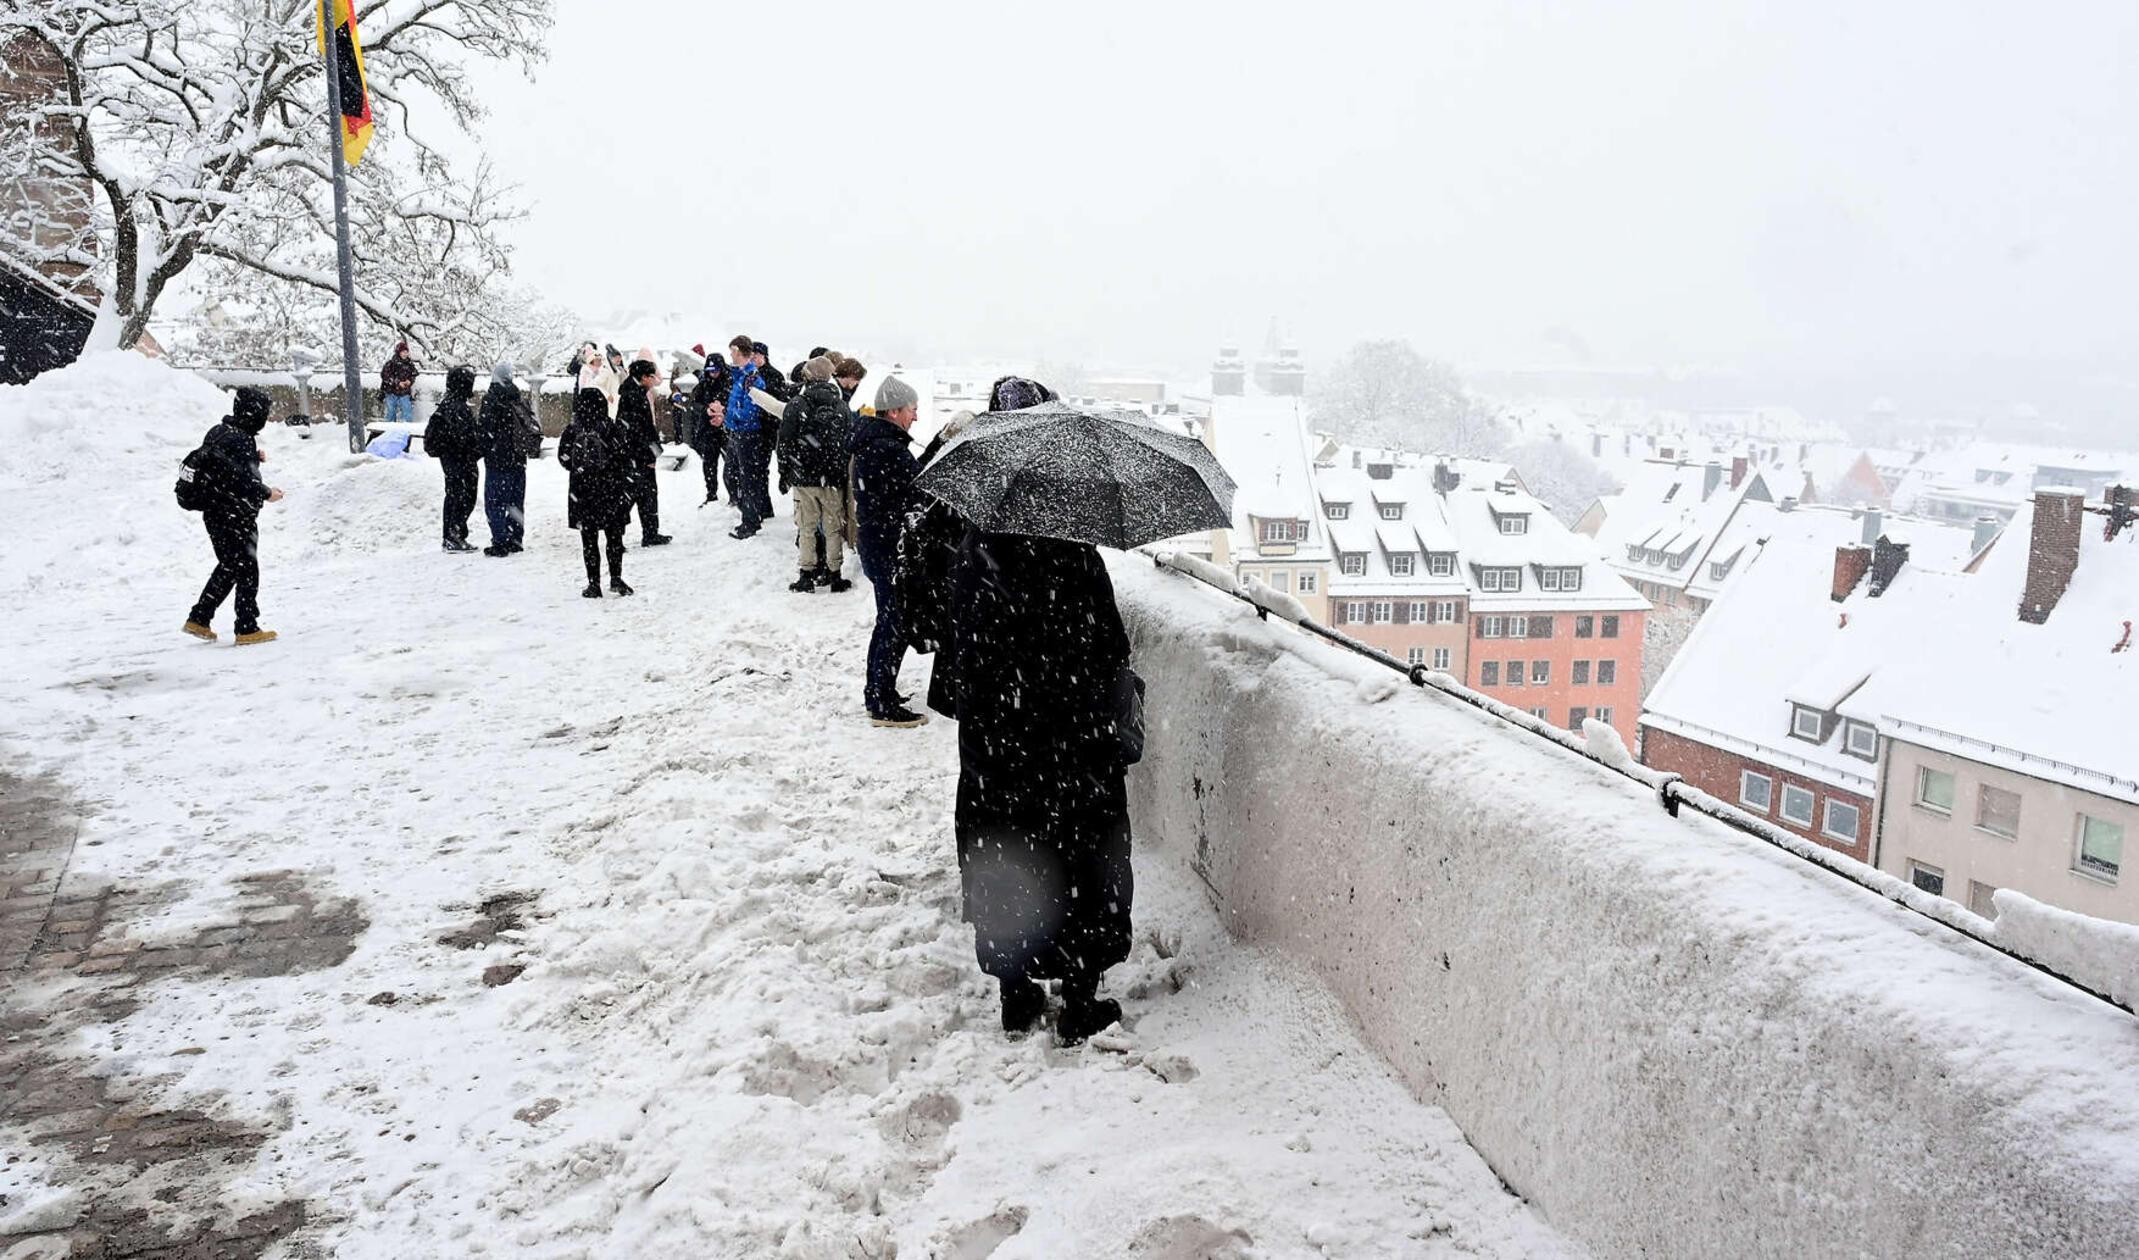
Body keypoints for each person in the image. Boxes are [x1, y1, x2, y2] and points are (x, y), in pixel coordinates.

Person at [948, 530, 1134, 1043]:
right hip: (1070, 754)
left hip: (996, 756)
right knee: (1082, 866)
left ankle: (1015, 995)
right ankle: (1079, 999)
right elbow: (1112, 651)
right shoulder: (1077, 556)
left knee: (1007, 864)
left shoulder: (973, 556)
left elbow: (957, 661)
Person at [850, 375, 926, 727]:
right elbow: (916, 490)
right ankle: (880, 701)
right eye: (912, 410)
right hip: (887, 547)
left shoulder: (879, 442)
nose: (915, 417)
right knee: (893, 623)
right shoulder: (887, 448)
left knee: (891, 620)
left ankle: (880, 692)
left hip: (877, 544)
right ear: (895, 411)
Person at [182, 386, 284, 645]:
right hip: (234, 515)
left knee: (230, 565)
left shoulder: (220, 431)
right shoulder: (241, 440)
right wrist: (266, 492)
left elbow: (222, 467)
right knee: (247, 569)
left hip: (214, 512)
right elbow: (240, 479)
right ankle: (247, 628)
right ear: (256, 414)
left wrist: (253, 458)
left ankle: (200, 618)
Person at [777, 355, 855, 592]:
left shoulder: (797, 405)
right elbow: (847, 442)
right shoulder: (841, 406)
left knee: (806, 527)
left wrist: (785, 470)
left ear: (808, 376)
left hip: (804, 477)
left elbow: (785, 442)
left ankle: (806, 574)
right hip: (832, 478)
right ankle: (835, 574)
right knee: (832, 527)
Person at [558, 387, 634, 597]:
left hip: (582, 491)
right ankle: (616, 579)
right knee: (614, 537)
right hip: (610, 489)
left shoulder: (573, 429)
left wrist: (580, 469)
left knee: (589, 539)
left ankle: (593, 584)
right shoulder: (610, 427)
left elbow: (563, 458)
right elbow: (623, 456)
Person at [424, 364, 482, 552]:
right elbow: (467, 437)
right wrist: (476, 450)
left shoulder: (447, 405)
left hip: (453, 460)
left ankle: (453, 535)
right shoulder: (456, 408)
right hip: (460, 460)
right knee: (461, 498)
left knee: (456, 496)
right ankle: (453, 535)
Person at [478, 362, 534, 555]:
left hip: (497, 459)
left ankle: (500, 541)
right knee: (515, 502)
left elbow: (486, 430)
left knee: (495, 502)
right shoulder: (517, 397)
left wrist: (483, 449)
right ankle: (516, 538)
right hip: (518, 458)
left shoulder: (491, 399)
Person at [619, 358, 672, 546]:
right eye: (652, 377)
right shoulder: (633, 396)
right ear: (643, 377)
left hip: (636, 454)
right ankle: (621, 535)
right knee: (637, 495)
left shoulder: (634, 393)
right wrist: (649, 455)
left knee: (643, 495)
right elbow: (638, 431)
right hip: (637, 455)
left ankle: (649, 532)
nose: (654, 380)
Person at [723, 335, 771, 539]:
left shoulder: (752, 379)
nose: (730, 356)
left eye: (732, 351)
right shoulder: (741, 376)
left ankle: (751, 521)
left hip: (748, 434)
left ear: (737, 351)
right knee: (734, 475)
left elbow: (751, 411)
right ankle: (750, 516)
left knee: (748, 478)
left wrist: (728, 414)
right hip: (738, 432)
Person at [688, 353, 730, 505]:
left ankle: (734, 495)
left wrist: (723, 412)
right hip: (709, 429)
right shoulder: (703, 385)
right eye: (710, 370)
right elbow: (695, 404)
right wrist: (707, 410)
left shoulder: (730, 382)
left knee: (731, 464)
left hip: (727, 429)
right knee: (709, 464)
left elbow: (735, 403)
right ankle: (711, 493)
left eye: (716, 370)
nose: (713, 373)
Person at [381, 342, 418, 424]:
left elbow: (414, 374)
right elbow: (385, 376)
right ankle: (389, 430)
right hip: (391, 392)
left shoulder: (409, 364)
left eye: (406, 352)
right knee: (390, 413)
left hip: (404, 392)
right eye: (403, 352)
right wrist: (397, 383)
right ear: (398, 352)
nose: (405, 354)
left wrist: (409, 381)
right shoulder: (390, 364)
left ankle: (406, 429)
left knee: (407, 412)